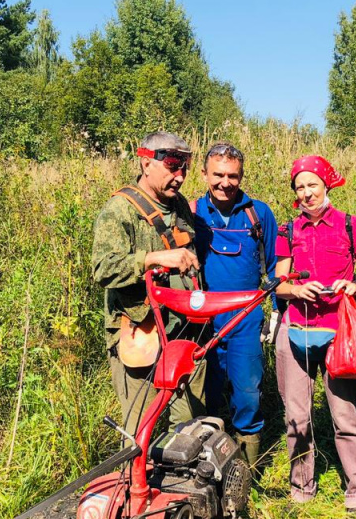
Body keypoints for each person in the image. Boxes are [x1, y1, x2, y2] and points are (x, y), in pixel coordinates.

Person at [273, 155, 356, 517]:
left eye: (312, 184)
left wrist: (355, 285)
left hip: (339, 333)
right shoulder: (288, 230)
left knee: (345, 416)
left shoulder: (350, 225)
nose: (306, 193)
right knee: (297, 418)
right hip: (296, 331)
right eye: (299, 187)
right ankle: (302, 489)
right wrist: (296, 291)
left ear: (326, 184)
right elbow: (279, 283)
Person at [92, 131, 205, 435]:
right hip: (141, 332)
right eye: (171, 167)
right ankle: (134, 483)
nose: (180, 177)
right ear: (145, 162)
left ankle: (182, 483)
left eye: (185, 168)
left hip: (183, 332)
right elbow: (102, 269)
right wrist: (153, 258)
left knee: (191, 428)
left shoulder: (179, 205)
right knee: (140, 432)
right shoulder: (121, 209)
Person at [191, 142, 279, 467]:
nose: (225, 183)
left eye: (232, 176)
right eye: (217, 175)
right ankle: (209, 471)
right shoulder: (193, 213)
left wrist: (277, 314)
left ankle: (246, 475)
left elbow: (273, 268)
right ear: (204, 174)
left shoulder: (259, 214)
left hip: (246, 318)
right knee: (207, 397)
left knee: (247, 396)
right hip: (204, 321)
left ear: (241, 176)